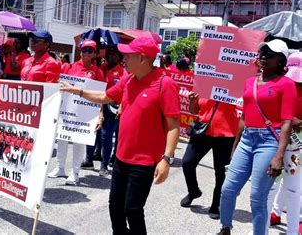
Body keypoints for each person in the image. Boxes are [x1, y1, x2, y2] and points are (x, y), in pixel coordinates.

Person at [60, 36, 180, 233]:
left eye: (128, 55)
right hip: (121, 158)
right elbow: (105, 96)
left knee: (132, 209)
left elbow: (174, 125)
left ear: (142, 58)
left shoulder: (164, 84)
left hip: (144, 162)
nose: (124, 59)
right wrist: (76, 90)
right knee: (115, 208)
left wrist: (166, 159)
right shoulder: (128, 79)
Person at [218, 40, 297, 235]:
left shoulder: (286, 84)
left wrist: (278, 156)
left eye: (270, 53)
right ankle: (225, 227)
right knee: (228, 189)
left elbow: (287, 122)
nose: (264, 54)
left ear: (281, 60)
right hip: (247, 139)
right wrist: (236, 144)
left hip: (269, 141)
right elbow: (244, 116)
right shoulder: (249, 82)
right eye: (262, 50)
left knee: (257, 198)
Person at [48, 39, 105, 185]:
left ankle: (75, 173)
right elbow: (60, 86)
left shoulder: (98, 72)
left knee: (80, 142)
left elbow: (101, 95)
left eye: (90, 51)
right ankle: (60, 167)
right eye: (84, 50)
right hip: (67, 111)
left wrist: (100, 114)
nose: (86, 53)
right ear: (80, 51)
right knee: (62, 138)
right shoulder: (70, 67)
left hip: (85, 114)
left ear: (94, 53)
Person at [179, 92, 239, 220]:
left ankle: (216, 204)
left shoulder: (236, 86)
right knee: (187, 163)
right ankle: (193, 191)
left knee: (220, 172)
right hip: (202, 131)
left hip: (225, 134)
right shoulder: (206, 82)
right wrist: (193, 101)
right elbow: (194, 110)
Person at [268, 51, 302, 234]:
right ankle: (263, 225)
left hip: (297, 149)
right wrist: (290, 118)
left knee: (294, 187)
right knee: (271, 185)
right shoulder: (280, 84)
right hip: (275, 143)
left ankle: (291, 230)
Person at [82, 47, 126, 177]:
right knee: (92, 132)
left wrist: (122, 105)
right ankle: (88, 160)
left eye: (113, 54)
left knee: (106, 136)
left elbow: (126, 91)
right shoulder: (100, 69)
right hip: (97, 103)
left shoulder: (123, 72)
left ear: (119, 57)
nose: (110, 56)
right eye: (109, 54)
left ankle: (104, 165)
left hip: (112, 106)